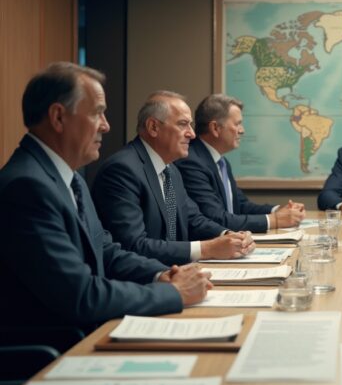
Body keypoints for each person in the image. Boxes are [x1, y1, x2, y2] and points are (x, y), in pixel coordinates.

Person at [0, 62, 211, 328]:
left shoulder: (71, 176)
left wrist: (164, 275)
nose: (106, 126)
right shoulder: (27, 187)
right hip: (56, 351)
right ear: (58, 117)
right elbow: (81, 295)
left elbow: (106, 251)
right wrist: (174, 292)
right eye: (97, 113)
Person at [92, 91, 255, 266]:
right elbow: (133, 245)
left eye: (191, 125)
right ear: (153, 127)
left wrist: (229, 236)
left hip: (178, 273)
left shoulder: (171, 169)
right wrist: (207, 249)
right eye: (183, 124)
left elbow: (193, 220)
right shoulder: (122, 170)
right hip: (144, 281)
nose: (192, 134)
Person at [176, 94, 305, 232]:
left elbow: (241, 206)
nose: (242, 130)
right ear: (215, 128)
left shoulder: (221, 162)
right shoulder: (191, 162)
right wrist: (275, 220)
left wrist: (278, 210)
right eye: (237, 124)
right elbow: (216, 217)